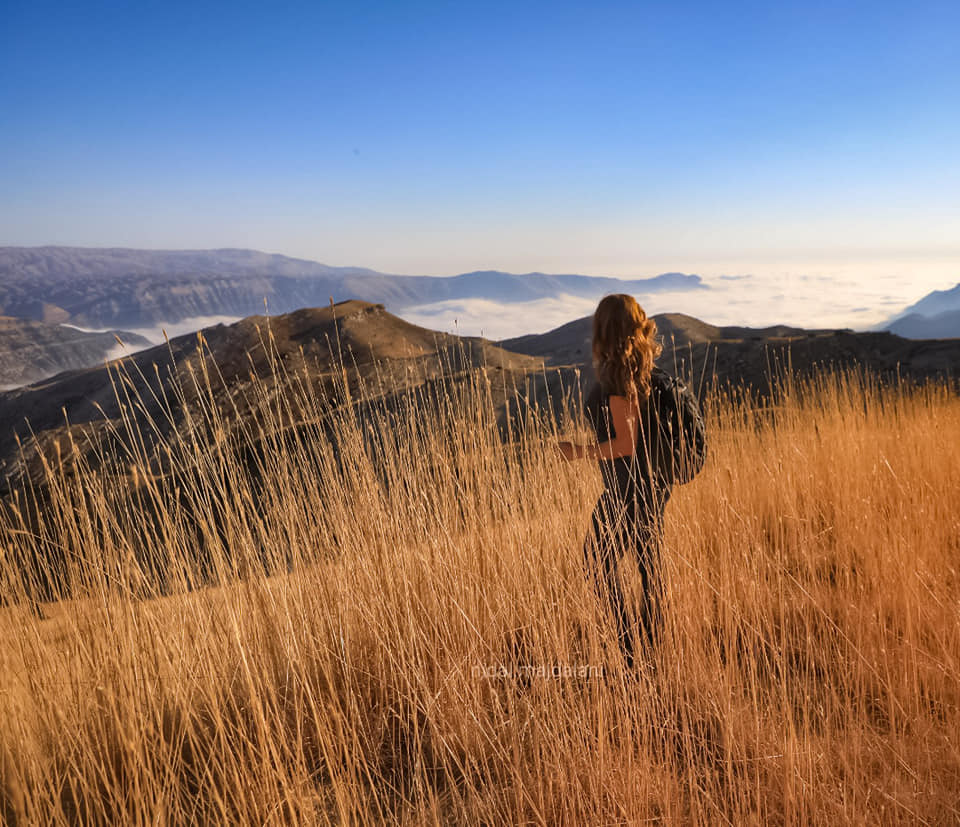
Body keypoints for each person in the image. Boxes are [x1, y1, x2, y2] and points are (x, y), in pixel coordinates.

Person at [558, 294, 706, 670]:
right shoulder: (645, 373)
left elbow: (626, 443)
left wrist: (578, 451)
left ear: (604, 330)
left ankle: (629, 655)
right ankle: (652, 654)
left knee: (596, 564)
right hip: (654, 486)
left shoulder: (619, 379)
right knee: (649, 568)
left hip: (627, 492)